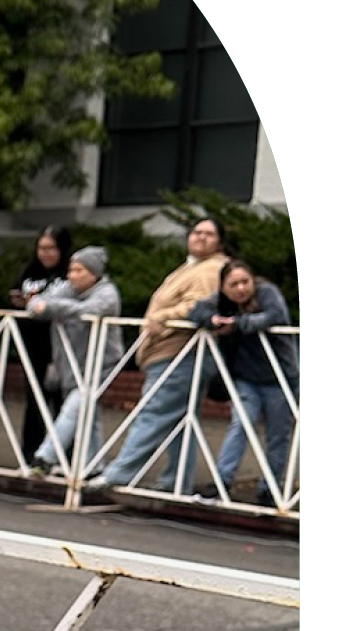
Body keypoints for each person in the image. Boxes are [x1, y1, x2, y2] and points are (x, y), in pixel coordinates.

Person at [88, 216, 229, 495]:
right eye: (196, 232)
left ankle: (119, 473)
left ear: (219, 242)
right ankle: (176, 481)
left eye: (208, 234)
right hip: (173, 352)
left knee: (152, 413)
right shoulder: (194, 267)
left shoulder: (210, 270)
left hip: (179, 351)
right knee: (179, 421)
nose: (200, 237)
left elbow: (196, 307)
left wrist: (163, 317)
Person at [188, 259, 299, 506]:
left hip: (279, 376)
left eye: (244, 282)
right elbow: (195, 311)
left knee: (278, 435)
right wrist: (213, 320)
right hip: (245, 377)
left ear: (253, 280)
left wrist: (238, 324)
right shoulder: (221, 300)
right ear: (224, 287)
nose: (240, 289)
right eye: (233, 284)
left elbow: (274, 315)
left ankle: (270, 489)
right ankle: (221, 481)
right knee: (241, 424)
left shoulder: (267, 292)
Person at [27, 246, 120, 478]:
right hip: (70, 362)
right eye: (71, 269)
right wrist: (47, 305)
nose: (72, 275)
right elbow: (34, 304)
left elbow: (90, 310)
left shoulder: (107, 292)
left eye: (79, 270)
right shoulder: (66, 288)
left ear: (93, 273)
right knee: (88, 413)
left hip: (100, 362)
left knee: (75, 406)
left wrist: (51, 308)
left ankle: (46, 455)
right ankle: (92, 465)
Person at [10, 226, 72, 461]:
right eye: (41, 248)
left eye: (51, 249)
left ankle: (62, 455)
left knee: (61, 401)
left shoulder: (66, 275)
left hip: (58, 345)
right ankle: (31, 453)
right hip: (32, 345)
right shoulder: (29, 273)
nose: (45, 254)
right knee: (35, 400)